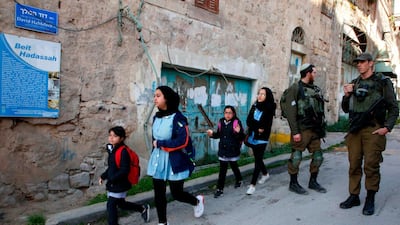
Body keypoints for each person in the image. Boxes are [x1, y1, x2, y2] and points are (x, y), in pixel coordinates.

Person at [340, 52, 399, 215]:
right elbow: (346, 108)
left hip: (373, 129)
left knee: (371, 165)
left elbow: (394, 107)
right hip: (355, 129)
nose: (359, 64)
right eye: (357, 62)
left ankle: (370, 198)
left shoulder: (382, 82)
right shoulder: (355, 83)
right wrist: (347, 95)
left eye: (362, 62)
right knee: (353, 164)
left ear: (371, 63)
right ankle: (354, 195)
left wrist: (387, 127)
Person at [148, 85, 204, 225]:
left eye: (158, 95)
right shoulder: (156, 117)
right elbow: (154, 139)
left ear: (167, 98)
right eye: (155, 95)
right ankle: (162, 222)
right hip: (158, 160)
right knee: (159, 194)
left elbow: (182, 141)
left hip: (174, 160)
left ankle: (197, 201)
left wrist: (161, 144)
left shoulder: (178, 117)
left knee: (177, 193)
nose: (155, 98)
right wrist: (155, 150)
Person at [284, 63, 327, 195]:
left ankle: (313, 181)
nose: (315, 75)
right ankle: (293, 183)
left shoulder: (315, 89)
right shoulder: (295, 88)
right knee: (296, 157)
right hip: (302, 129)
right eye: (314, 72)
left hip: (315, 129)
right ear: (308, 73)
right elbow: (290, 112)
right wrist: (295, 131)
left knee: (318, 156)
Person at [99, 126, 150, 225]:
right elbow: (111, 167)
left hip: (120, 183)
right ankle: (142, 208)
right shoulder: (112, 149)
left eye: (115, 136)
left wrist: (112, 178)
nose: (111, 138)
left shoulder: (123, 151)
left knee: (111, 205)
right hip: (114, 182)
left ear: (122, 138)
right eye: (110, 135)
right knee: (121, 204)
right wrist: (103, 176)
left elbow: (124, 170)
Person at [207, 105, 245, 198]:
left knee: (234, 166)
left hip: (232, 149)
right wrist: (212, 135)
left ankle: (239, 180)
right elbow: (219, 134)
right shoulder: (221, 122)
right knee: (222, 171)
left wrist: (238, 132)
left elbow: (242, 137)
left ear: (233, 114)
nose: (227, 115)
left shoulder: (236, 122)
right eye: (226, 113)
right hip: (223, 149)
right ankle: (220, 189)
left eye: (230, 113)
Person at [245, 87, 276, 195]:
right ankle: (265, 174)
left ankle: (253, 185)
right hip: (253, 136)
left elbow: (264, 125)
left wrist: (257, 126)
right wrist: (256, 127)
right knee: (257, 157)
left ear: (267, 96)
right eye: (259, 93)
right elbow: (248, 120)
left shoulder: (269, 108)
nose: (259, 96)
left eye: (263, 94)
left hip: (262, 138)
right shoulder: (255, 106)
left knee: (257, 160)